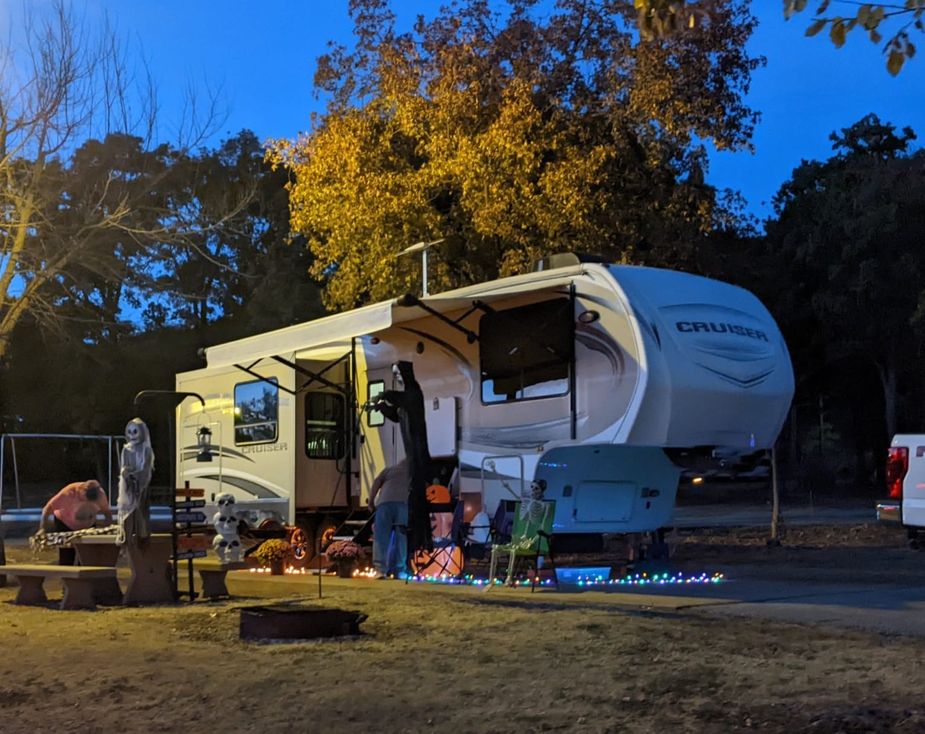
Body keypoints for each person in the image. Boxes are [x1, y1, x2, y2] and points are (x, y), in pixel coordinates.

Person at [370, 361, 433, 553]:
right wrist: (382, 407)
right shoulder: (407, 398)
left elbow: (403, 400)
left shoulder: (414, 391)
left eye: (399, 374)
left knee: (416, 492)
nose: (398, 378)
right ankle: (412, 542)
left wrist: (385, 395)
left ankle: (418, 540)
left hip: (418, 452)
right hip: (412, 451)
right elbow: (397, 415)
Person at [37, 480, 113, 565]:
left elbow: (107, 513)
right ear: (81, 492)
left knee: (88, 558)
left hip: (88, 526)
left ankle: (86, 576)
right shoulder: (68, 493)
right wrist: (42, 528)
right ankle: (67, 575)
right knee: (67, 556)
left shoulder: (100, 495)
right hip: (65, 523)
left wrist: (108, 529)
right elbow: (47, 509)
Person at [368, 458, 410, 579]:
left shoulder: (388, 470)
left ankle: (380, 570)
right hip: (402, 505)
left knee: (381, 536)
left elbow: (376, 483)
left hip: (384, 504)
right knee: (401, 537)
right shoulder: (412, 473)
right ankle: (400, 570)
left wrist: (371, 502)